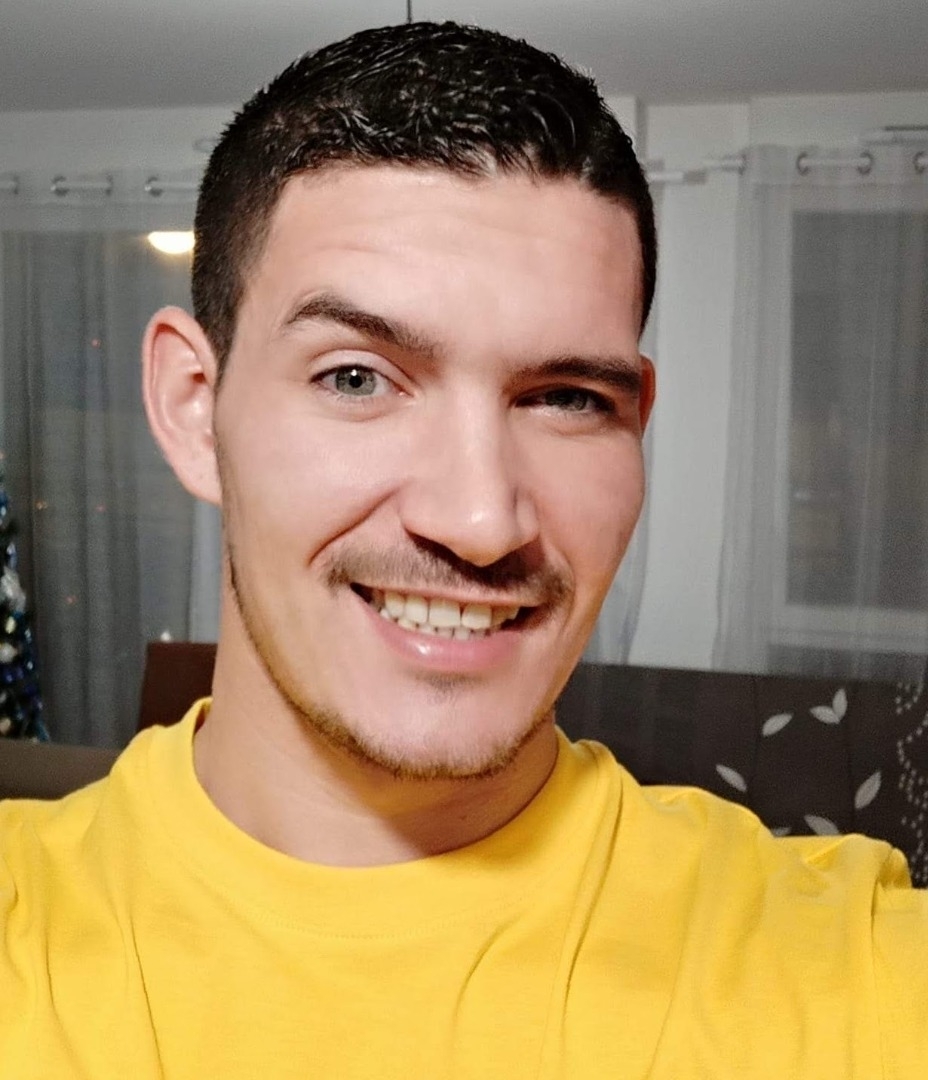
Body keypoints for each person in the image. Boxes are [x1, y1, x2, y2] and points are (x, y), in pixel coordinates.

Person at [0, 20, 925, 1079]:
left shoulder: (839, 964)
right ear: (193, 408)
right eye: (357, 378)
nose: (483, 521)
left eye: (566, 398)